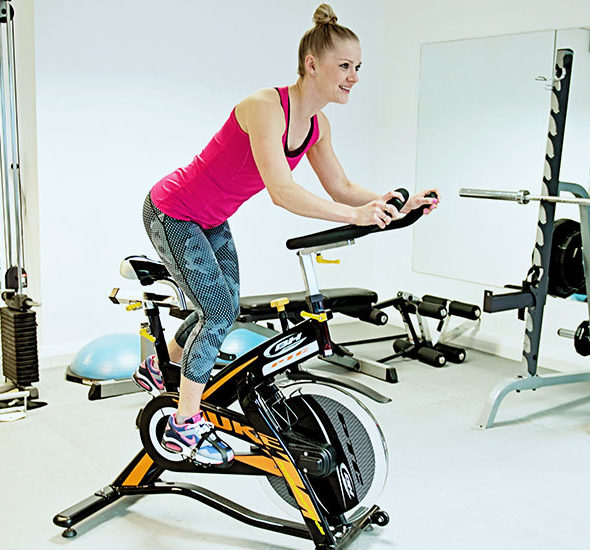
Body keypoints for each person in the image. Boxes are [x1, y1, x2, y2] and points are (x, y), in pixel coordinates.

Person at [133, 3, 439, 466]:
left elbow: (341, 187)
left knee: (223, 308)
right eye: (345, 66)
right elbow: (282, 191)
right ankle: (183, 423)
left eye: (358, 67)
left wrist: (397, 204)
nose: (354, 77)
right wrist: (356, 215)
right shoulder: (264, 108)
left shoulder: (317, 125)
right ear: (312, 64)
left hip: (212, 218)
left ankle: (159, 367)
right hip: (173, 210)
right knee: (218, 312)